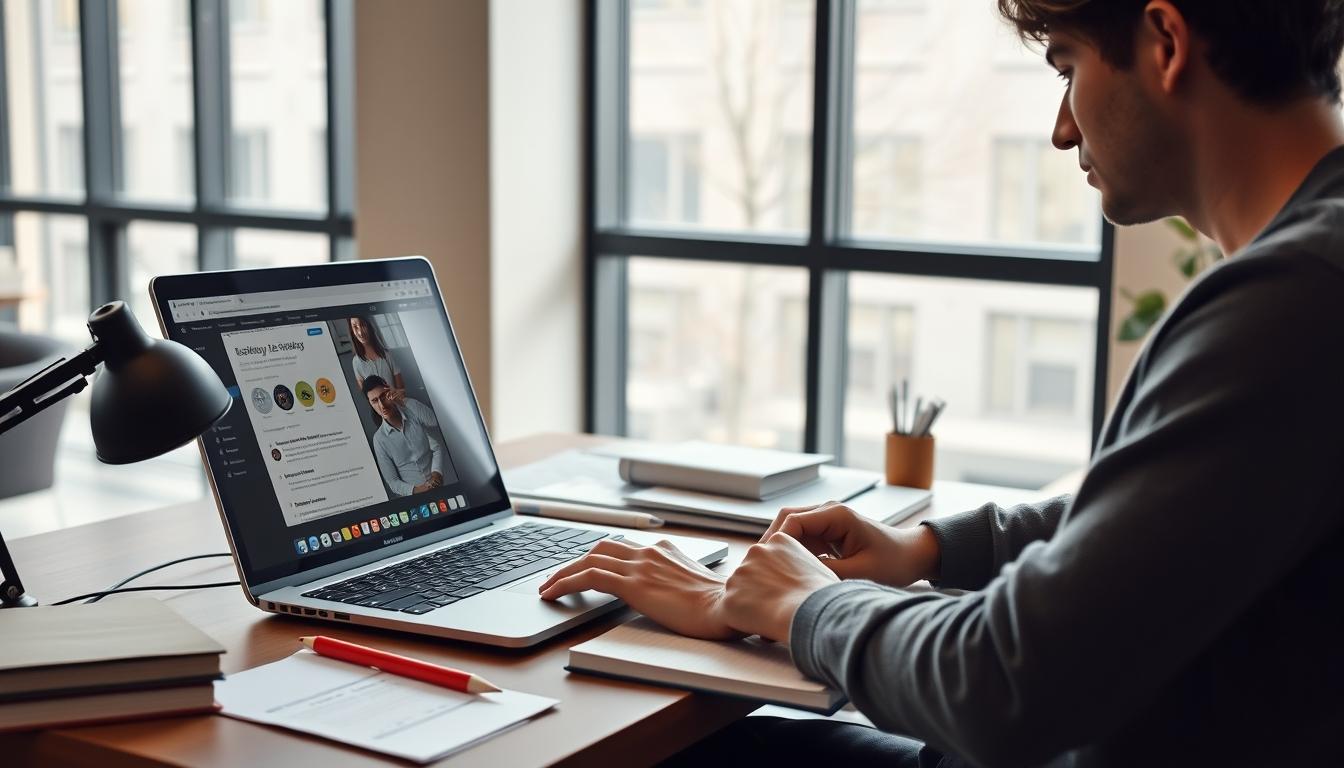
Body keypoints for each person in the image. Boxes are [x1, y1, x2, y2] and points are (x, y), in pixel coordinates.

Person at [538, 1, 1344, 765]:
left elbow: (1004, 684)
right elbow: (1167, 521)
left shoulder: (1294, 301)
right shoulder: (1310, 270)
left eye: (1067, 68)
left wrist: (801, 605)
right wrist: (926, 549)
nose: (1063, 131)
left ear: (1164, 42)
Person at [363, 375, 445, 497]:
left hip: (439, 487)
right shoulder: (379, 440)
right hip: (414, 499)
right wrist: (421, 490)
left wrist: (403, 400)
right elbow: (392, 482)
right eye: (374, 401)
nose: (382, 405)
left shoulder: (412, 411)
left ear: (389, 391)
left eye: (383, 397)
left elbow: (434, 421)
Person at [348, 316, 405, 396]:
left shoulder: (387, 355)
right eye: (355, 327)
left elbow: (402, 390)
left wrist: (395, 394)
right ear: (352, 331)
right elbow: (368, 397)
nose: (360, 332)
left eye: (363, 325)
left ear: (369, 326)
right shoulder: (356, 362)